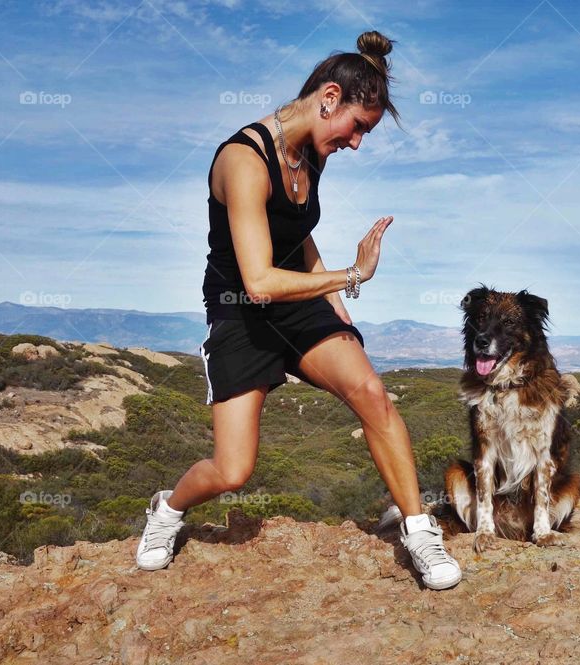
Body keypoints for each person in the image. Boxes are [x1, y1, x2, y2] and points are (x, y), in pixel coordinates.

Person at [135, 31, 461, 590]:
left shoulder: (312, 151)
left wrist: (336, 305)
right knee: (232, 470)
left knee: (372, 394)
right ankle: (167, 510)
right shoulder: (244, 159)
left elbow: (298, 237)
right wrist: (355, 276)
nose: (357, 144)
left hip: (299, 303)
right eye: (358, 127)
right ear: (329, 97)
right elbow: (259, 281)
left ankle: (417, 529)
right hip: (241, 310)